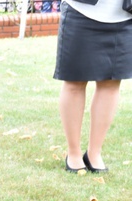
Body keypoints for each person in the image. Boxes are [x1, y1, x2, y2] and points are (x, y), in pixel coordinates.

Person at [54, 0, 132, 173]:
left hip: (124, 16)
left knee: (111, 83)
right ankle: (73, 153)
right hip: (80, 11)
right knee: (75, 81)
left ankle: (94, 153)